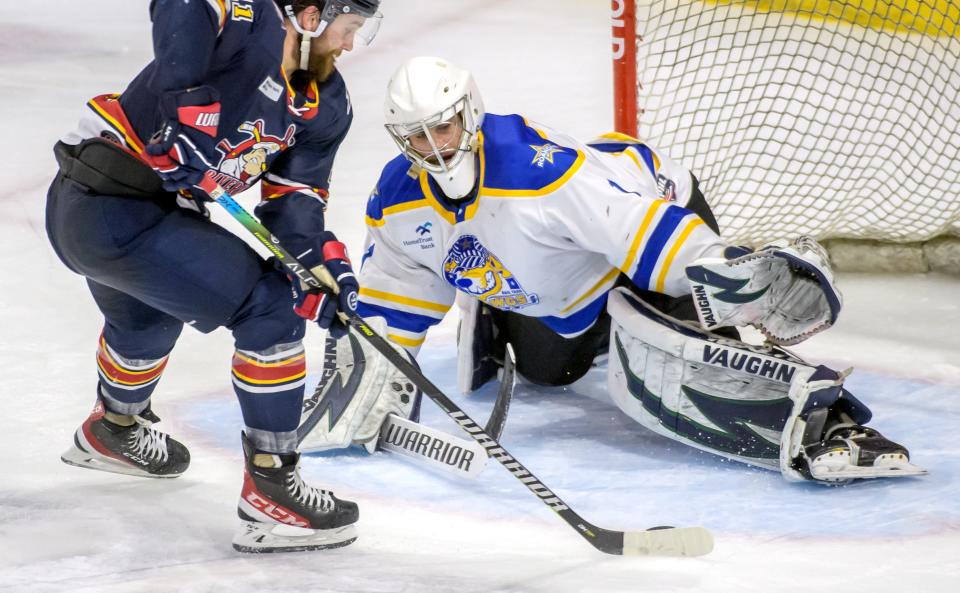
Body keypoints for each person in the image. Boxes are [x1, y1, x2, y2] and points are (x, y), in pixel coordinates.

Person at [299, 55, 926, 485]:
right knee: (550, 370)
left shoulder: (535, 170)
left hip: (643, 220)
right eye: (417, 136)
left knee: (681, 367)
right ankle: (494, 301)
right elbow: (396, 293)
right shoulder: (398, 196)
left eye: (444, 126)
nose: (433, 146)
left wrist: (724, 274)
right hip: (558, 277)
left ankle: (834, 427)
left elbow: (638, 231)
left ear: (471, 111)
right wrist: (372, 372)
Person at [45, 0, 382, 553]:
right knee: (269, 309)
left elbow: (294, 202)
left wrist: (318, 264)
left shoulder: (324, 105)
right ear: (312, 13)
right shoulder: (250, 21)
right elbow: (181, 0)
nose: (350, 42)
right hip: (105, 202)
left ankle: (113, 428)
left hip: (126, 221)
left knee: (148, 319)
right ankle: (273, 492)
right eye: (348, 25)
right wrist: (186, 109)